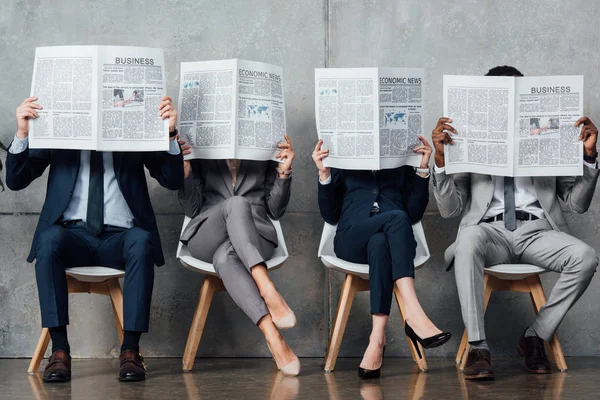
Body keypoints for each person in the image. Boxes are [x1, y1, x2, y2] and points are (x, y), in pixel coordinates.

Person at [432, 65, 599, 380]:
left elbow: (576, 204)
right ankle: (478, 348)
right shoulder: (469, 135)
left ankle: (536, 335)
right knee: (467, 240)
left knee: (586, 257)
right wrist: (441, 162)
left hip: (538, 232)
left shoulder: (548, 132)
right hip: (488, 231)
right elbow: (450, 210)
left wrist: (588, 157)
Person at [6, 96, 184, 382]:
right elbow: (16, 181)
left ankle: (131, 351)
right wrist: (23, 133)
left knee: (141, 240)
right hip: (72, 236)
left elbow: (172, 180)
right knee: (49, 238)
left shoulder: (133, 131)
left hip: (120, 238)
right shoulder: (61, 132)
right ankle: (60, 351)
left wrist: (170, 132)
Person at [313, 136, 452, 379]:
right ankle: (414, 314)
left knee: (380, 242)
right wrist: (324, 174)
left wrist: (421, 169)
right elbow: (330, 214)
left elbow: (415, 212)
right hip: (351, 237)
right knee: (397, 218)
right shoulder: (343, 158)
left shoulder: (401, 160)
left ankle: (376, 340)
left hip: (390, 242)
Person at [178, 134, 300, 376]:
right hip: (208, 234)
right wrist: (186, 171)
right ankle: (266, 287)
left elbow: (275, 210)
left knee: (225, 259)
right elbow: (191, 209)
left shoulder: (263, 147)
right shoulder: (201, 146)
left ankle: (272, 335)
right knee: (236, 203)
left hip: (254, 235)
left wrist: (283, 173)